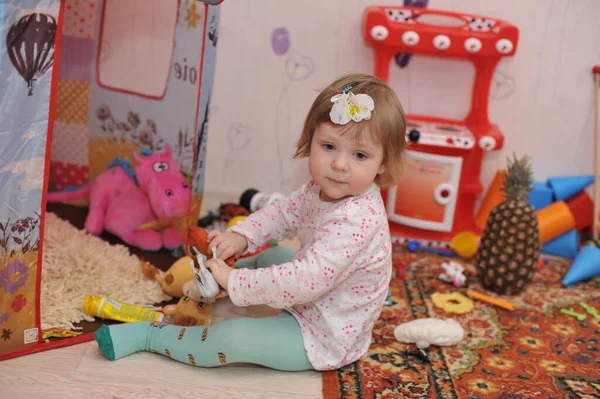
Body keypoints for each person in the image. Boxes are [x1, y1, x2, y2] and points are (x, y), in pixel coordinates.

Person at [94, 72, 407, 372]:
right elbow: (283, 214)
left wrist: (236, 283)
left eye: (360, 156)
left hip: (324, 334)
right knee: (270, 257)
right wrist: (242, 235)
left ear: (383, 165)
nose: (339, 164)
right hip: (313, 295)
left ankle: (150, 335)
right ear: (310, 141)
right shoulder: (318, 189)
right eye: (329, 147)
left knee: (235, 338)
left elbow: (306, 278)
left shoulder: (357, 222)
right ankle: (209, 283)